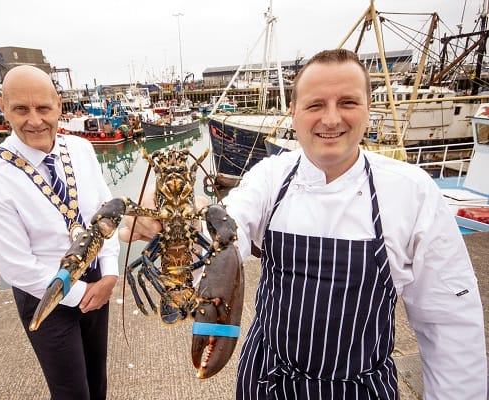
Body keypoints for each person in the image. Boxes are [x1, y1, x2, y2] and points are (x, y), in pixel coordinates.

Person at [119, 49, 487, 399]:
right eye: (315, 105)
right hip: (266, 382)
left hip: (358, 389)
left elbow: (450, 324)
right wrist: (174, 228)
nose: (330, 119)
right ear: (293, 112)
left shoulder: (414, 192)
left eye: (347, 102)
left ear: (368, 108)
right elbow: (228, 231)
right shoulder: (269, 177)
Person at [0, 65, 119, 400]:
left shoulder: (81, 149)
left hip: (96, 278)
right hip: (43, 292)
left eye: (43, 108)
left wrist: (109, 272)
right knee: (70, 392)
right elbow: (15, 267)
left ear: (59, 106)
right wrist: (82, 294)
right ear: (2, 106)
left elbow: (107, 213)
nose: (34, 120)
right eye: (21, 109)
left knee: (98, 382)